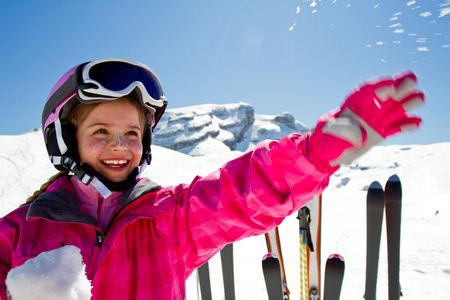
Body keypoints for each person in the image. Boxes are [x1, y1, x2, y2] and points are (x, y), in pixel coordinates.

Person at [0, 58, 424, 299]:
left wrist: (314, 154)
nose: (120, 146)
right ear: (66, 140)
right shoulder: (19, 233)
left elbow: (235, 195)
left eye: (132, 133)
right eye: (100, 132)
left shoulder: (167, 219)